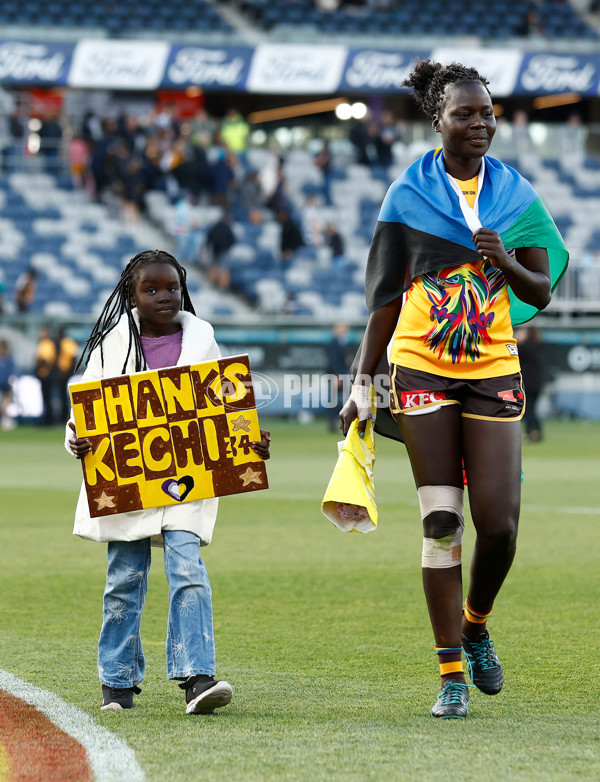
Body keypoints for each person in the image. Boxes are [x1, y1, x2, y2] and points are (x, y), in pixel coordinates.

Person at [340, 60, 568, 720]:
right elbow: (385, 300)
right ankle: (450, 677)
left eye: (487, 113)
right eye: (465, 114)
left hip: (493, 369)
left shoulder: (516, 194)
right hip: (420, 372)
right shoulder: (405, 196)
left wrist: (502, 260)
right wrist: (363, 382)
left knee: (499, 525)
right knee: (442, 523)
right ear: (436, 119)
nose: (480, 123)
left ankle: (475, 626)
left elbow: (541, 289)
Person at [65, 249, 271, 713]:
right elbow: (87, 410)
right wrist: (75, 440)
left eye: (173, 287)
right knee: (124, 577)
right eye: (151, 289)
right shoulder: (110, 345)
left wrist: (249, 441)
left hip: (185, 479)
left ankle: (198, 678)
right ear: (131, 296)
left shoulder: (203, 340)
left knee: (188, 570)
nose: (164, 296)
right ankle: (116, 683)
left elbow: (225, 407)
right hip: (128, 482)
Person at [517, 326, 545, 442]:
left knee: (527, 409)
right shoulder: (539, 347)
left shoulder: (524, 348)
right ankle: (537, 431)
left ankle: (529, 433)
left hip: (527, 383)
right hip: (537, 384)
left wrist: (518, 340)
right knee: (532, 409)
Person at [325, 323, 352, 432]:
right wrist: (337, 375)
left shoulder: (340, 342)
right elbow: (334, 360)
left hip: (341, 374)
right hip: (338, 375)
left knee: (341, 399)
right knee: (335, 400)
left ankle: (342, 421)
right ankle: (333, 423)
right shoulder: (335, 342)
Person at [35, 326, 57, 426]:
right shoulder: (43, 344)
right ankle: (47, 418)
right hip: (43, 373)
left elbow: (47, 360)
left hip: (46, 374)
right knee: (45, 397)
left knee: (47, 397)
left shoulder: (47, 344)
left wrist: (40, 365)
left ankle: (48, 420)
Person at [0, 338, 17, 429]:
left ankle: (6, 420)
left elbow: (13, 370)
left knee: (5, 405)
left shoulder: (9, 358)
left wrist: (12, 379)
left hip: (6, 385)